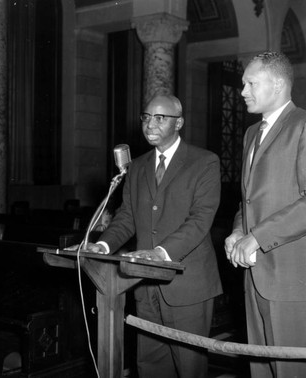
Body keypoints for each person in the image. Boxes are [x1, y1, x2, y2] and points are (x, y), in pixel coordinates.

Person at [83, 94, 222, 378]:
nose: (149, 124)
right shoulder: (137, 166)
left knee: (189, 368)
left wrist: (160, 253)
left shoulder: (204, 162)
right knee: (151, 366)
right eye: (146, 117)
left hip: (188, 286)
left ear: (179, 123)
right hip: (145, 284)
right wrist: (102, 245)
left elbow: (201, 220)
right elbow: (127, 217)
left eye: (160, 118)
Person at [224, 51, 306, 378]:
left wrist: (257, 238)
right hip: (255, 274)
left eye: (250, 83)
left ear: (276, 85)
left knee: (293, 372)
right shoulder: (251, 134)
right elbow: (248, 201)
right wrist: (237, 231)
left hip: (293, 279)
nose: (243, 91)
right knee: (261, 370)